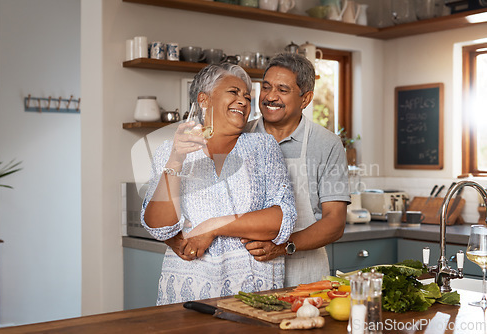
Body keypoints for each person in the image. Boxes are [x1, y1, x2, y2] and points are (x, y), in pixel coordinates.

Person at [141, 63, 297, 305]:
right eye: (234, 92)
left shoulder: (264, 148)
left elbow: (281, 219)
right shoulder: (170, 151)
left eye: (247, 96)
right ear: (204, 99)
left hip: (253, 294)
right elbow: (160, 227)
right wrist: (176, 160)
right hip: (189, 292)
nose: (243, 101)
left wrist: (212, 227)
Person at [243, 52, 351, 287]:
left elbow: (335, 222)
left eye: (282, 90)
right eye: (266, 87)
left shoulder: (327, 144)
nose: (270, 97)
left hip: (305, 275)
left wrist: (282, 246)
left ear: (306, 99)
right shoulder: (240, 136)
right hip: (246, 270)